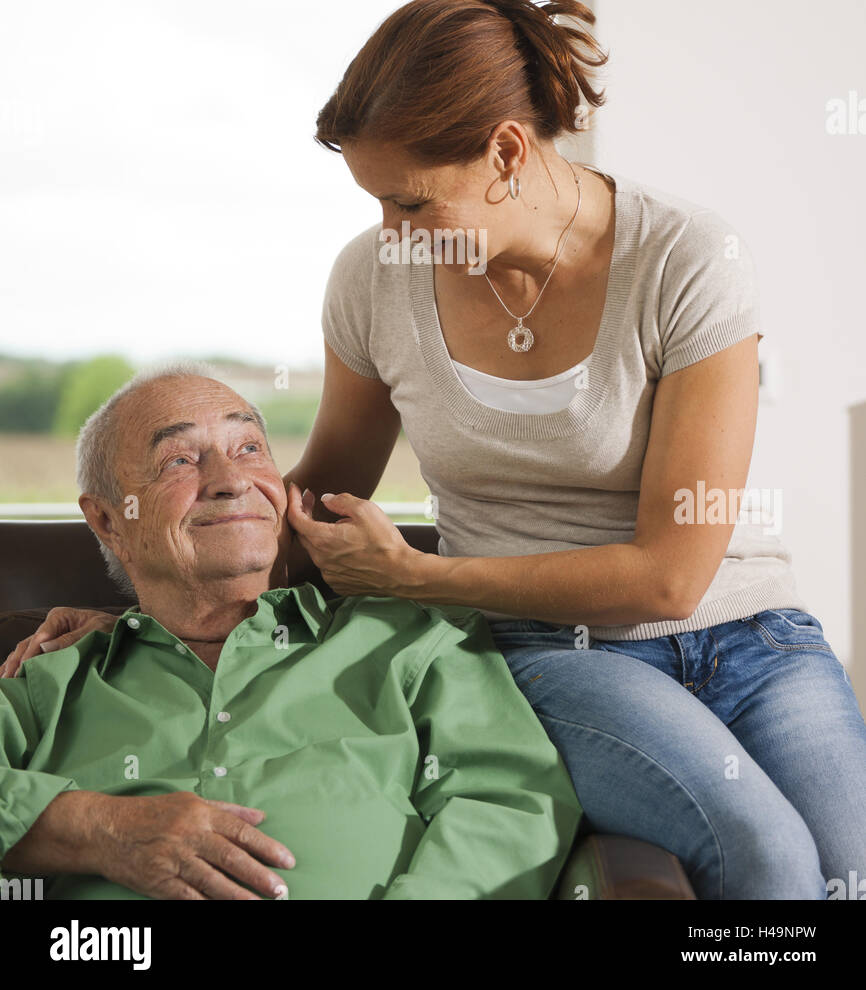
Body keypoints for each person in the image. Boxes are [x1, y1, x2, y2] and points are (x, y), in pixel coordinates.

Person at [9, 0, 866, 899]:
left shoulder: (686, 259)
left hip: (748, 632)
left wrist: (419, 579)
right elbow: (316, 493)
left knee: (850, 873)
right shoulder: (376, 279)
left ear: (504, 152)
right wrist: (154, 621)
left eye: (411, 203)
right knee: (767, 857)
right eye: (375, 202)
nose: (390, 233)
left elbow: (670, 577)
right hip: (550, 646)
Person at [0, 366, 580, 900]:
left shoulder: (415, 643)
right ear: (107, 520)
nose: (230, 481)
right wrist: (98, 829)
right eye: (179, 460)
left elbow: (511, 808)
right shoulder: (49, 677)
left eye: (249, 448)